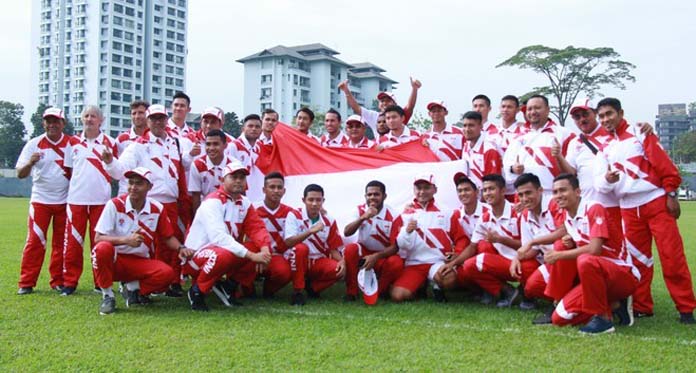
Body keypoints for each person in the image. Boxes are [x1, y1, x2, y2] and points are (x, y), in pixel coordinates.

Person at [594, 98, 696, 324]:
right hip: (628, 208)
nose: (605, 120)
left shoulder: (640, 132)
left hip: (654, 202)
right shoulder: (604, 146)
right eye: (601, 116)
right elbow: (600, 183)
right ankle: (642, 306)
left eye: (609, 114)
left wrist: (671, 193)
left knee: (672, 257)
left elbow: (664, 164)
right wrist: (608, 180)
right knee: (638, 261)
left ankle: (686, 308)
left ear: (620, 112)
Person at [101, 104, 187, 297]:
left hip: (171, 202)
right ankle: (135, 285)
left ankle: (165, 284)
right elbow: (120, 171)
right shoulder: (138, 145)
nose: (158, 122)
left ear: (167, 120)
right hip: (149, 202)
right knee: (145, 246)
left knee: (168, 245)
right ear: (147, 121)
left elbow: (182, 170)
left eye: (161, 118)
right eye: (153, 118)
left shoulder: (175, 142)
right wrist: (109, 161)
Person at [92, 167, 194, 315]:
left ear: (150, 187)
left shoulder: (157, 208)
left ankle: (133, 288)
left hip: (139, 261)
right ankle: (108, 296)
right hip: (114, 260)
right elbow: (98, 238)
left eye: (138, 183)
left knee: (167, 274)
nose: (133, 187)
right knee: (102, 248)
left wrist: (181, 248)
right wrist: (126, 240)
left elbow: (167, 237)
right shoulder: (114, 204)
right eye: (131, 183)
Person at [549, 173, 640, 334]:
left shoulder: (593, 207)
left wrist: (558, 256)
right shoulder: (566, 216)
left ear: (577, 192)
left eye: (563, 190)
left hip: (622, 274)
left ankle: (603, 319)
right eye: (555, 192)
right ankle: (615, 305)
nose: (558, 195)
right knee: (559, 318)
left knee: (585, 260)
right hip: (596, 278)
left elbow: (594, 249)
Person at [183, 161, 272, 311]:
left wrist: (264, 249)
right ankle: (197, 291)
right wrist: (250, 255)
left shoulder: (245, 202)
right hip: (196, 255)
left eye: (242, 177)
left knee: (256, 247)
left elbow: (256, 227)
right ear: (222, 180)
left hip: (224, 252)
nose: (238, 180)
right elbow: (218, 237)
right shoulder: (212, 202)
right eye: (234, 177)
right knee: (223, 254)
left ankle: (228, 286)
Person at [439, 174, 531, 307]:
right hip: (503, 262)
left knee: (533, 278)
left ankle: (528, 294)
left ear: (503, 190)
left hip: (525, 261)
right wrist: (452, 263)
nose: (488, 193)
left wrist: (501, 239)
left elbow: (530, 246)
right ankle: (506, 291)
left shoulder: (518, 212)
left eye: (491, 189)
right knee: (470, 263)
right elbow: (472, 246)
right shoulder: (484, 217)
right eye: (485, 190)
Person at [61, 106, 119, 295]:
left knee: (99, 245)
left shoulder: (109, 142)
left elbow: (115, 169)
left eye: (93, 116)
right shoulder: (73, 142)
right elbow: (69, 170)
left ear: (101, 120)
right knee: (73, 243)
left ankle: (99, 281)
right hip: (76, 200)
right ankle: (70, 282)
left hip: (101, 201)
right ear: (81, 119)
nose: (89, 119)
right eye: (86, 116)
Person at [15, 107, 72, 295]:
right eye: (48, 121)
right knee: (35, 241)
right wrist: (30, 163)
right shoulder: (34, 144)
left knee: (60, 243)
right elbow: (20, 174)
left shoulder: (71, 144)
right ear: (43, 123)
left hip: (65, 201)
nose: (52, 125)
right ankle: (26, 282)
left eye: (56, 121)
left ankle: (58, 281)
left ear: (63, 124)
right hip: (40, 200)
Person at [390, 174, 467, 302]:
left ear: (434, 190)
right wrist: (407, 231)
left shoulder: (446, 212)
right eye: (418, 188)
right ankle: (420, 285)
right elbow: (397, 244)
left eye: (426, 188)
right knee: (398, 296)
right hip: (414, 263)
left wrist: (457, 254)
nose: (422, 192)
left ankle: (437, 285)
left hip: (438, 262)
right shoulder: (403, 213)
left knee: (450, 280)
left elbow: (461, 238)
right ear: (413, 190)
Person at [509, 173, 564, 311]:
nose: (524, 198)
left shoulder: (554, 203)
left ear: (540, 191)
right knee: (527, 279)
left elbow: (564, 231)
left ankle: (566, 299)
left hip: (565, 258)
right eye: (521, 195)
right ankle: (561, 299)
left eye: (528, 193)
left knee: (560, 245)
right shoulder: (526, 215)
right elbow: (531, 249)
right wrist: (516, 258)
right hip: (548, 260)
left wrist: (532, 242)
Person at [254, 172, 309, 305]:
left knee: (283, 272)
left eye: (279, 187)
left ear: (284, 191)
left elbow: (310, 214)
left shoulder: (291, 212)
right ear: (264, 190)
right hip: (257, 253)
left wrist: (322, 211)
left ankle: (270, 289)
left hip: (277, 256)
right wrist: (255, 255)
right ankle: (241, 289)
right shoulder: (253, 209)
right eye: (272, 187)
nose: (276, 191)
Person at [343, 180, 403, 301]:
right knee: (350, 249)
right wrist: (363, 217)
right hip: (364, 253)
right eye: (369, 194)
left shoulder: (394, 215)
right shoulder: (359, 210)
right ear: (365, 196)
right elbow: (347, 232)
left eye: (376, 194)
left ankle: (378, 291)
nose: (372, 197)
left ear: (384, 196)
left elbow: (395, 247)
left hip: (382, 255)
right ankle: (352, 292)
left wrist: (375, 256)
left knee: (396, 262)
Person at [503, 95, 574, 196]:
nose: (533, 112)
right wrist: (513, 169)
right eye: (529, 109)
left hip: (555, 195)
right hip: (525, 197)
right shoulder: (518, 138)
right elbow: (507, 167)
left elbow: (573, 170)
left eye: (537, 108)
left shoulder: (565, 134)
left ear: (548, 110)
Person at [284, 184, 345, 299]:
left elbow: (333, 248)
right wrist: (310, 231)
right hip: (297, 260)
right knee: (300, 248)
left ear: (323, 201)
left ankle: (313, 288)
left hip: (317, 261)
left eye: (318, 200)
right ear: (303, 200)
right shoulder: (294, 215)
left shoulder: (329, 220)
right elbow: (289, 242)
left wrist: (342, 261)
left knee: (339, 269)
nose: (314, 204)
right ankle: (298, 291)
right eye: (311, 200)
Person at [338, 77, 421, 136]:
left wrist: (414, 89)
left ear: (395, 104)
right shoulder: (374, 116)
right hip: (380, 152)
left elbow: (410, 106)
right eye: (382, 101)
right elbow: (356, 108)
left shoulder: (399, 116)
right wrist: (346, 90)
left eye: (388, 101)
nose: (384, 103)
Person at [188, 129, 233, 214]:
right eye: (208, 144)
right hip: (206, 210)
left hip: (229, 210)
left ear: (225, 145)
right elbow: (196, 196)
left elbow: (240, 193)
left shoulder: (234, 165)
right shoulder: (197, 165)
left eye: (216, 144)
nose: (211, 148)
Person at [461, 111, 502, 190]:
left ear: (481, 126)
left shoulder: (489, 149)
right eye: (465, 125)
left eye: (471, 125)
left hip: (486, 197)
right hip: (472, 198)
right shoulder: (466, 146)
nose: (467, 129)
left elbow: (493, 183)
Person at [115, 100, 149, 194]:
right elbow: (115, 167)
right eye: (134, 113)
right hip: (126, 191)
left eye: (141, 113)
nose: (137, 116)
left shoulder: (154, 138)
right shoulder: (122, 139)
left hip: (148, 191)